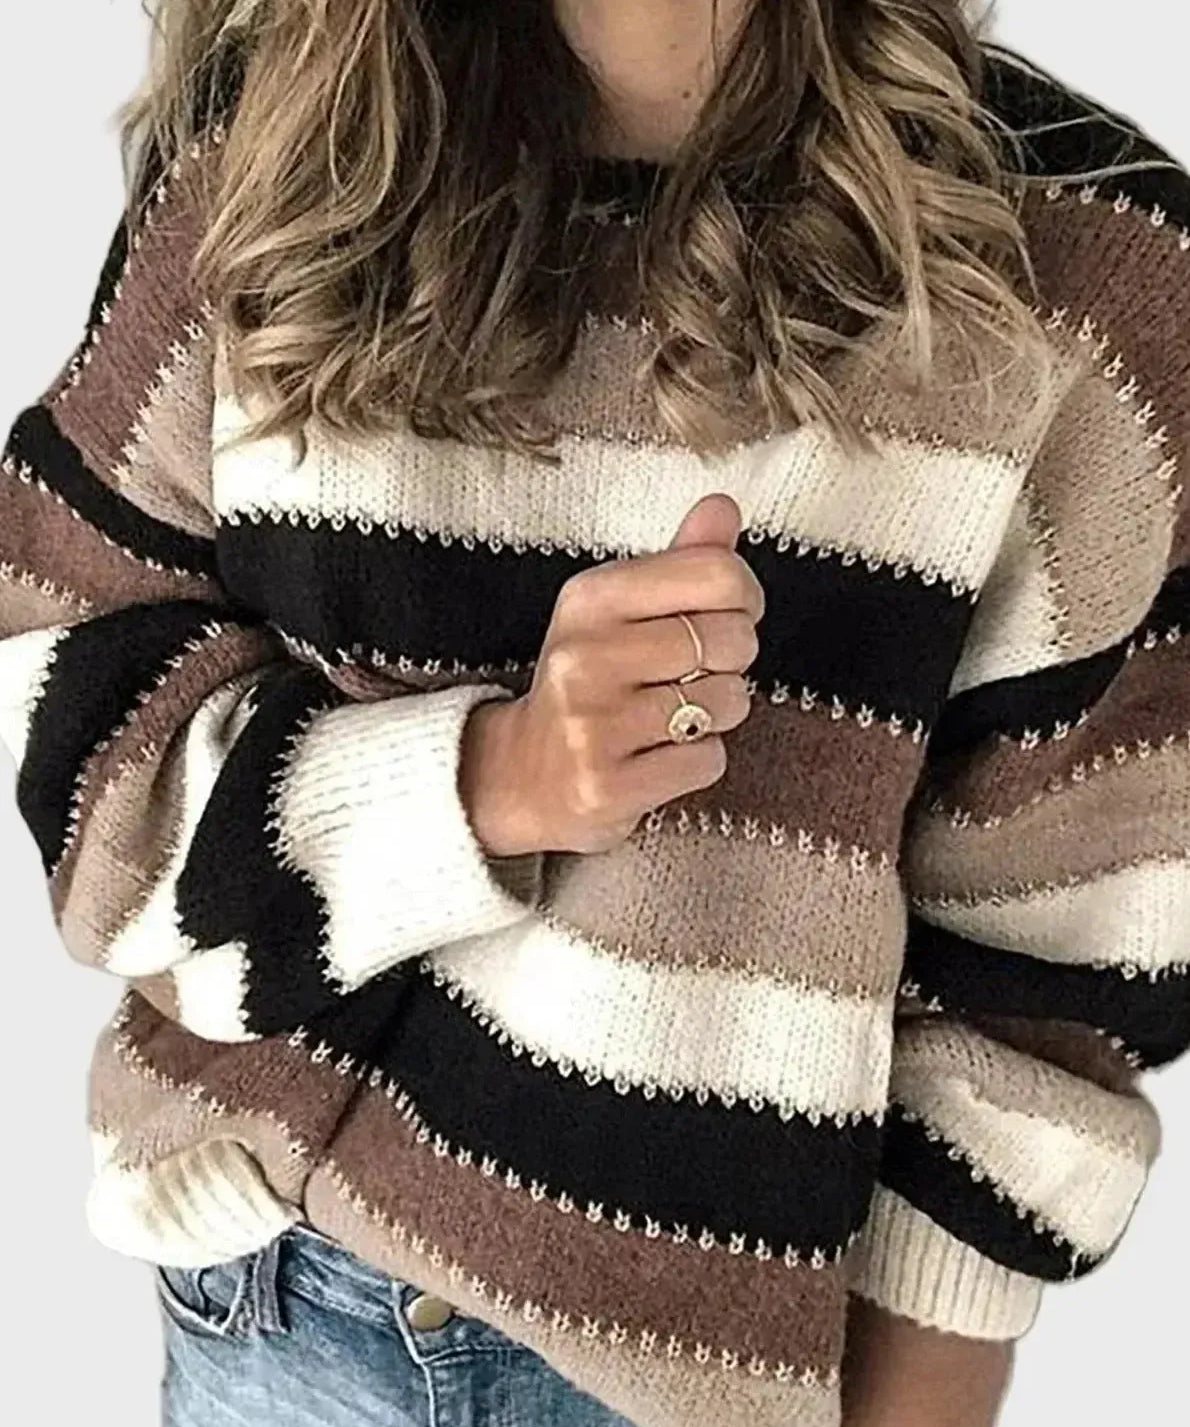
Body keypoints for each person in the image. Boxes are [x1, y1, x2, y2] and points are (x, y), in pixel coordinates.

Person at [2, 2, 1188, 1424]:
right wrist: (479, 785)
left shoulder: (1079, 262)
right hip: (286, 1311)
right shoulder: (273, 151)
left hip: (704, 1374)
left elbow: (1061, 976)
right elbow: (76, 715)